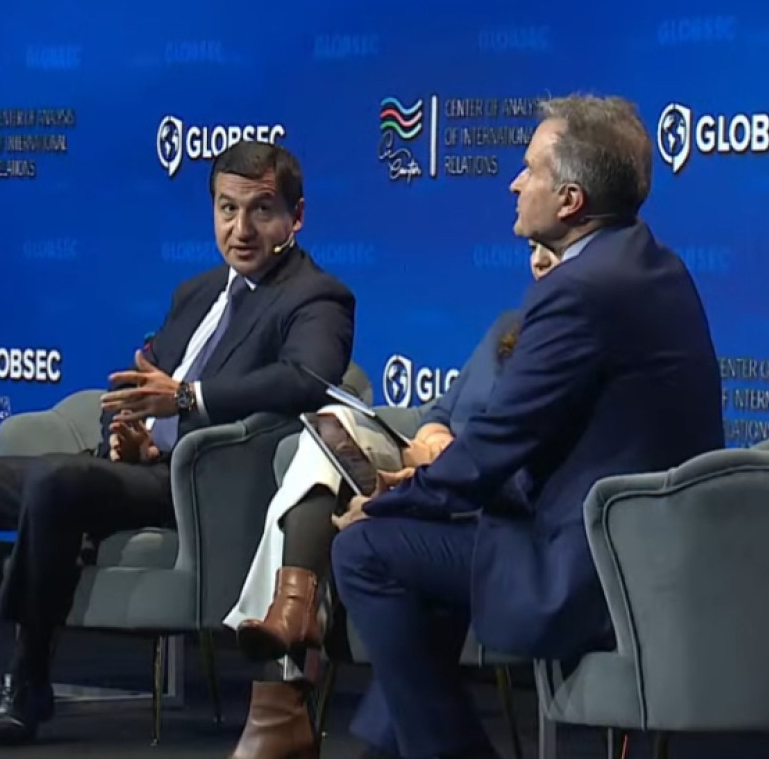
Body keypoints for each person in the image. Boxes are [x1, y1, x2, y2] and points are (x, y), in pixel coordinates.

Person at [0, 141, 357, 745]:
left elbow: (307, 379)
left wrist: (186, 400)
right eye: (227, 209)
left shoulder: (316, 295)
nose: (241, 229)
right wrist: (125, 432)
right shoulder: (198, 291)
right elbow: (141, 382)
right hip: (137, 466)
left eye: (261, 210)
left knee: (58, 480)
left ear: (296, 215)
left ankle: (28, 677)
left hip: (205, 485)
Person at [328, 94, 724, 759]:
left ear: (570, 200)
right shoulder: (652, 264)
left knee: (364, 550)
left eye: (529, 170)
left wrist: (390, 500)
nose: (514, 183)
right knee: (428, 548)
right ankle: (382, 749)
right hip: (643, 550)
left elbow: (495, 444)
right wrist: (425, 492)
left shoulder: (579, 290)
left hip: (589, 566)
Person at [225, 242, 560, 758]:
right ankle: (295, 613)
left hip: (472, 497)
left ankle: (291, 639)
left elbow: (514, 458)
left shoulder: (563, 346)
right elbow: (439, 410)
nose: (538, 261)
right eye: (534, 249)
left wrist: (440, 467)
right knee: (328, 431)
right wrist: (434, 440)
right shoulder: (507, 327)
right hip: (431, 470)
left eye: (552, 251)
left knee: (362, 544)